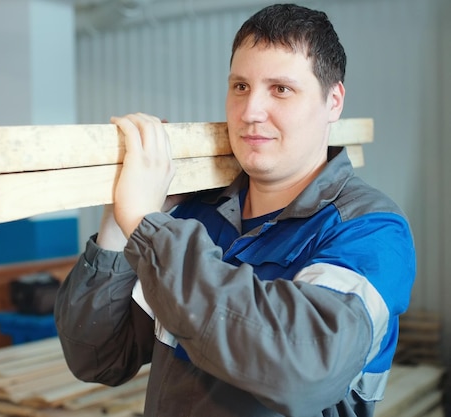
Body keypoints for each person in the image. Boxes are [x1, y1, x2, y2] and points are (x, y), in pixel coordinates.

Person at [54, 3, 416, 417]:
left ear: (333, 101)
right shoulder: (195, 217)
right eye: (240, 86)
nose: (250, 113)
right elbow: (99, 357)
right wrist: (119, 222)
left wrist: (145, 224)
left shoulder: (370, 232)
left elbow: (301, 370)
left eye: (281, 89)